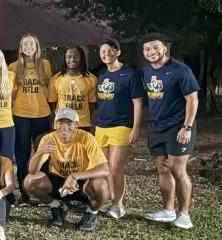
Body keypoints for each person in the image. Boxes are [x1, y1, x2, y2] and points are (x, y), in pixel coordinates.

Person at [140, 33, 199, 229]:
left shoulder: (181, 70)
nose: (152, 52)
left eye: (155, 47)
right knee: (163, 168)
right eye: (147, 49)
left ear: (165, 48)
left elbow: (192, 99)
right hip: (157, 126)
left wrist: (187, 126)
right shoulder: (147, 70)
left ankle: (184, 215)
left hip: (178, 126)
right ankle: (168, 210)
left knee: (177, 168)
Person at [23, 108, 109, 231]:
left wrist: (75, 176)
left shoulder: (87, 138)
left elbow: (105, 169)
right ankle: (57, 206)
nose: (64, 127)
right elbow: (32, 171)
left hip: (82, 184)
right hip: (59, 182)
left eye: (69, 124)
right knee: (29, 181)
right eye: (60, 123)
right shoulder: (48, 138)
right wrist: (39, 152)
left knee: (101, 184)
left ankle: (91, 213)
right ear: (55, 124)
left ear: (76, 125)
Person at [94, 38, 144, 219]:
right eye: (103, 51)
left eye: (110, 50)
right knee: (105, 168)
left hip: (121, 125)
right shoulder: (101, 74)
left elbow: (138, 104)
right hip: (101, 126)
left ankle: (118, 204)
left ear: (118, 52)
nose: (106, 54)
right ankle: (110, 200)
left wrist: (135, 128)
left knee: (116, 167)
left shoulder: (130, 74)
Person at [8, 33, 53, 205]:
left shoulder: (45, 64)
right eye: (24, 44)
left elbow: (50, 88)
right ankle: (24, 193)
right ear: (20, 47)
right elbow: (11, 93)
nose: (28, 47)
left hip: (42, 115)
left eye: (31, 43)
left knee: (43, 156)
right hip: (21, 116)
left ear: (37, 46)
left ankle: (44, 191)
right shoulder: (13, 66)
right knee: (22, 155)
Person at [49, 46, 98, 132]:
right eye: (69, 57)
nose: (72, 60)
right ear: (65, 59)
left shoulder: (91, 79)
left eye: (76, 56)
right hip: (61, 123)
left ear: (81, 58)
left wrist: (82, 116)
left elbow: (92, 104)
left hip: (83, 124)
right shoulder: (55, 79)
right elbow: (52, 102)